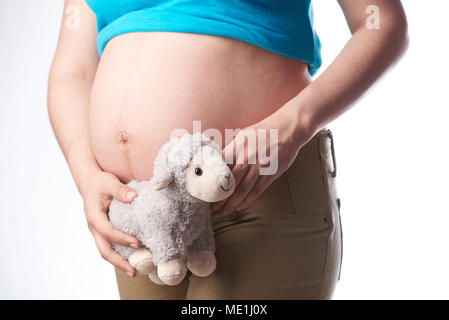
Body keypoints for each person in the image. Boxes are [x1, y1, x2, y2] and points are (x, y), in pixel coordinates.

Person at [47, 0, 408, 299]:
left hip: (258, 190)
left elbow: (381, 23)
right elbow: (73, 71)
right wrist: (87, 174)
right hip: (141, 215)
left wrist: (295, 123)